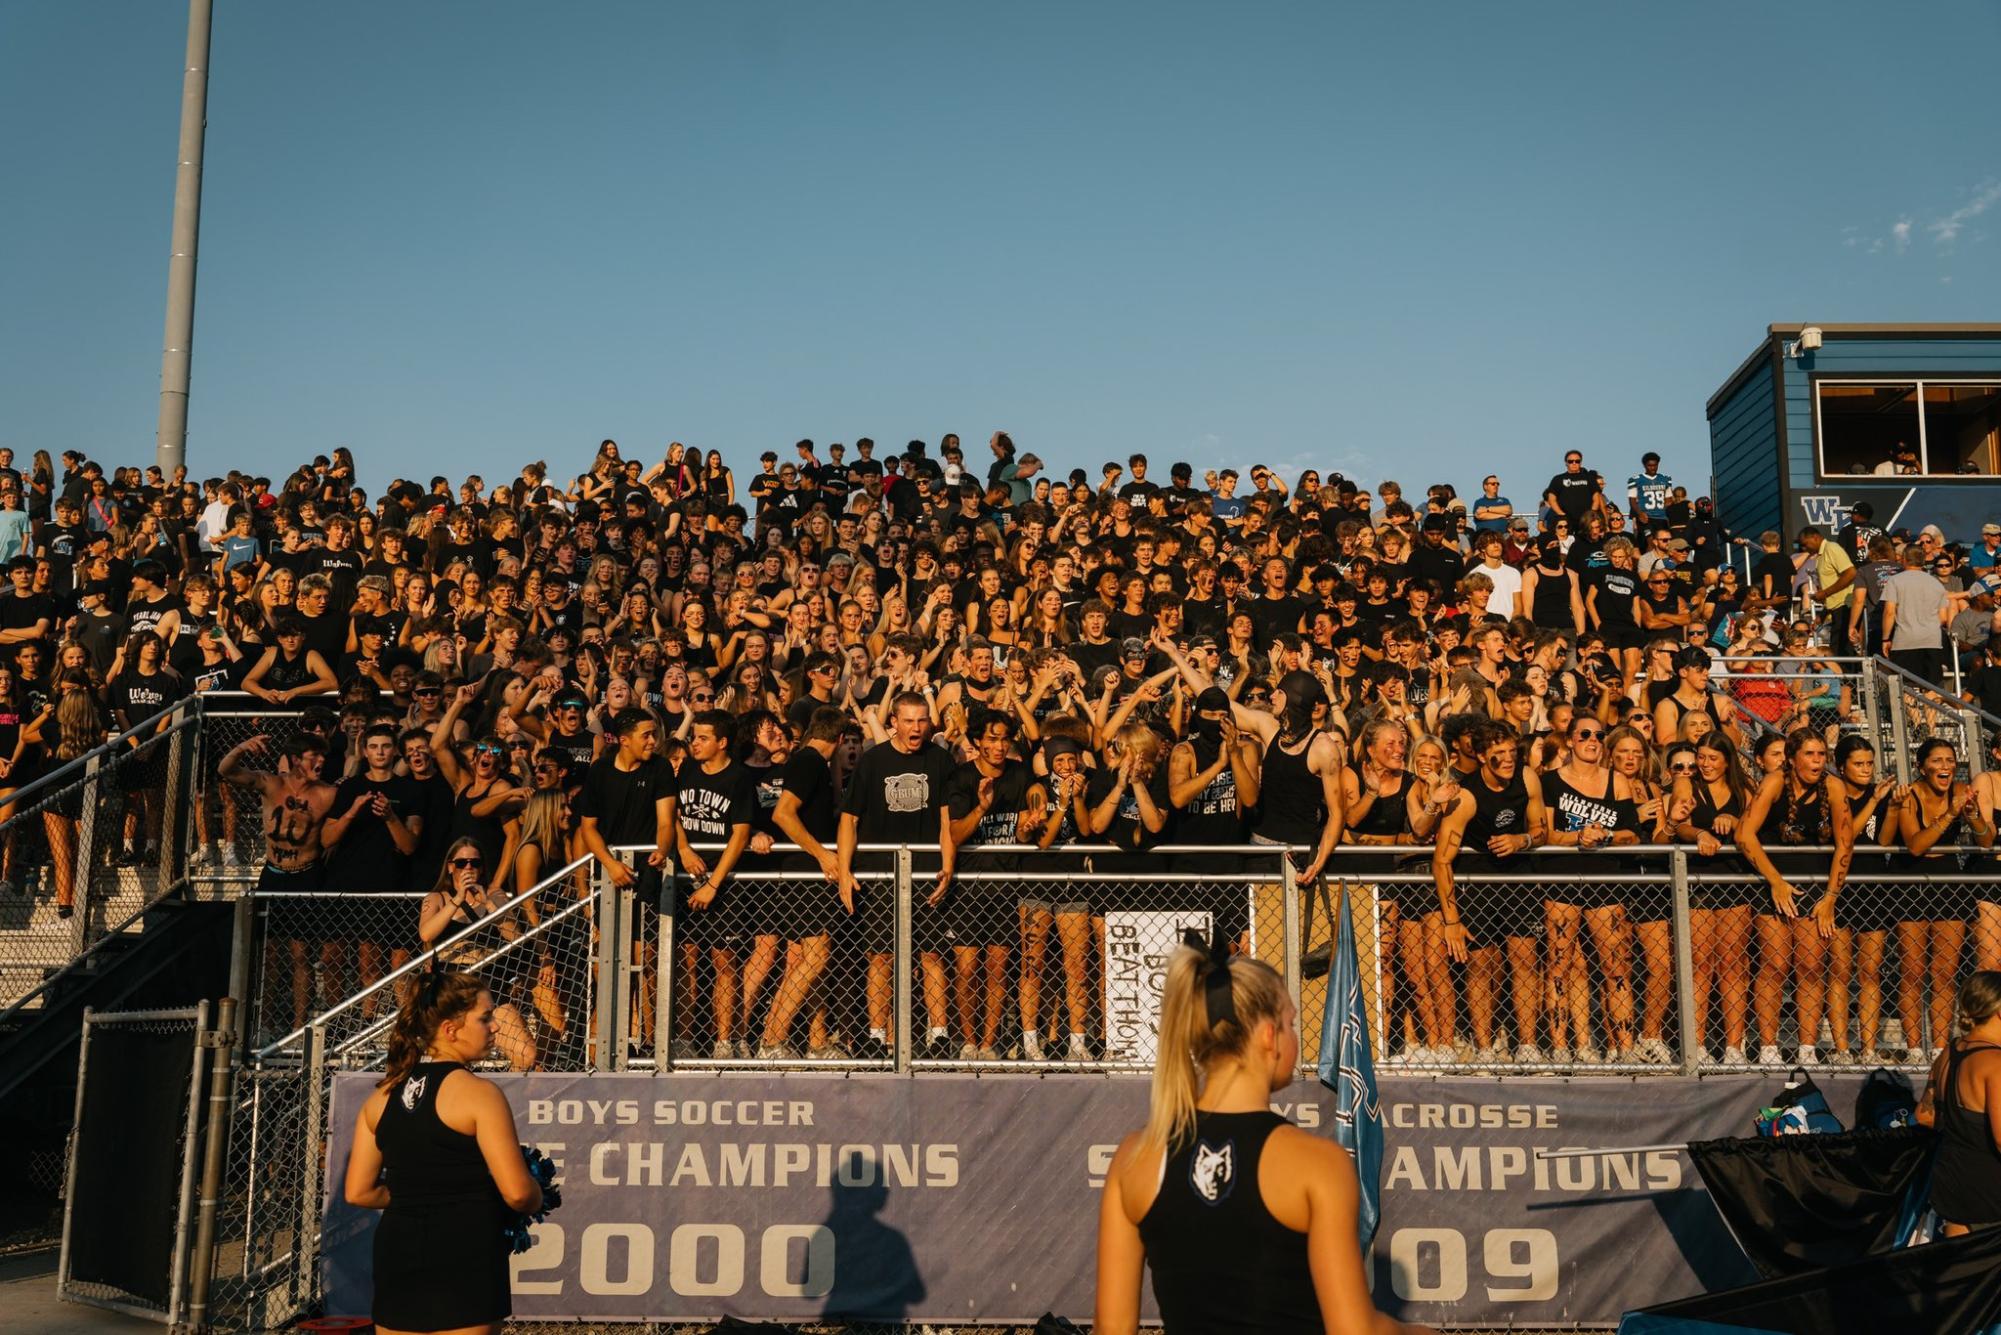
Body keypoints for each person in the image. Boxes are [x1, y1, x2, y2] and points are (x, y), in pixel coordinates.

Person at [1095, 934, 1433, 1335]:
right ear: (1269, 1037)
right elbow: (1354, 1331)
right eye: (1290, 1022)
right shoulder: (1316, 1164)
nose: (1294, 1033)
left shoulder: (1136, 1158)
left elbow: (1112, 1329)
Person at [341, 969, 542, 1335]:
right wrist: (537, 1194)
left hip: (398, 1254)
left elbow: (359, 1191)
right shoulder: (480, 1094)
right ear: (451, 1030)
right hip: (465, 1252)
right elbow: (517, 1192)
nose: (495, 1027)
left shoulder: (380, 1097)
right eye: (485, 1018)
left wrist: (416, 1195)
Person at [1915, 971, 2001, 1236]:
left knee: (1959, 1273)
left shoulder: (1948, 1054)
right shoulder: (1995, 1063)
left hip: (1955, 1184)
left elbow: (1924, 1117)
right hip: (1991, 1194)